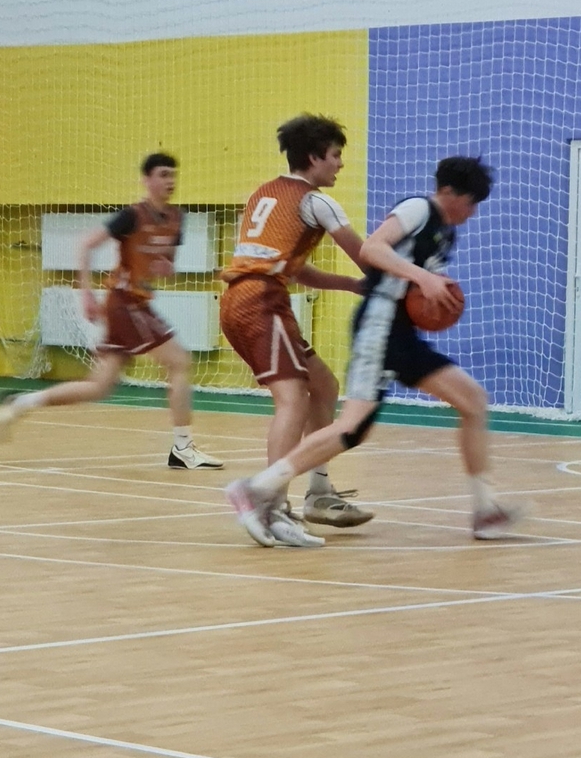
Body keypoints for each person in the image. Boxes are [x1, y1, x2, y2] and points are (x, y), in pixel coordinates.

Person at [224, 156, 525, 545]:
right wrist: (422, 277)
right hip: (378, 328)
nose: (472, 213)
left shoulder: (445, 233)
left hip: (403, 334)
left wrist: (433, 289)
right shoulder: (418, 209)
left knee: (473, 401)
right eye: (471, 203)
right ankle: (257, 488)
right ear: (449, 192)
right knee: (351, 429)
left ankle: (485, 511)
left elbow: (416, 285)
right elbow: (372, 248)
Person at [0, 153, 222, 470]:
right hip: (125, 303)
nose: (170, 181)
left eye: (173, 175)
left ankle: (21, 403)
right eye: (163, 174)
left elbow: (165, 264)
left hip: (134, 304)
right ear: (147, 180)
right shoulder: (132, 215)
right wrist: (86, 293)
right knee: (180, 361)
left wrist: (165, 267)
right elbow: (86, 244)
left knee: (99, 386)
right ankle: (183, 448)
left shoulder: (177, 220)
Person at [218, 115, 372, 547]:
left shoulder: (264, 193)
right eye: (335, 155)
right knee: (293, 399)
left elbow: (294, 269)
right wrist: (412, 281)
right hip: (262, 303)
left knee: (324, 386)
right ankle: (270, 504)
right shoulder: (317, 202)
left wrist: (351, 286)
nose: (340, 164)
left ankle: (319, 492)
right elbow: (367, 257)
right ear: (314, 157)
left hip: (241, 299)